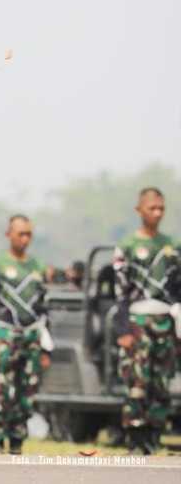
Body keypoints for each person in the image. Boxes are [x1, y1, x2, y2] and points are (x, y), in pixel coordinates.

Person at [112, 188, 179, 454]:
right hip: (137, 321)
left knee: (161, 382)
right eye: (152, 208)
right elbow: (121, 294)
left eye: (161, 208)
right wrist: (123, 329)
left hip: (165, 321)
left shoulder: (172, 246)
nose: (157, 213)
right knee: (137, 382)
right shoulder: (127, 247)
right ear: (139, 210)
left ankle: (154, 436)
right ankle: (135, 438)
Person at [0, 215, 50, 455]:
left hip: (31, 338)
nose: (25, 239)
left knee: (25, 393)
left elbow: (44, 310)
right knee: (0, 390)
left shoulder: (38, 268)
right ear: (9, 234)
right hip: (3, 335)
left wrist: (46, 349)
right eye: (20, 234)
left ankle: (17, 442)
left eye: (29, 234)